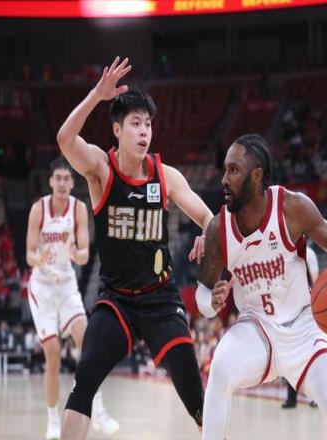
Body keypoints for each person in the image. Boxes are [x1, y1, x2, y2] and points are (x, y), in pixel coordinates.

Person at [56, 57, 213, 439]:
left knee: (197, 398)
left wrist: (207, 233)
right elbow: (65, 140)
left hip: (161, 300)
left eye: (148, 124)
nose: (144, 131)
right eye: (136, 123)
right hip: (117, 301)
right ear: (117, 130)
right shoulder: (101, 169)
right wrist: (96, 95)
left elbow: (208, 218)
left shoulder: (165, 175)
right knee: (84, 383)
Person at [196, 134, 327, 439]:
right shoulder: (218, 228)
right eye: (225, 169)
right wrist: (210, 303)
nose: (224, 179)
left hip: (303, 328)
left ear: (257, 176)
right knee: (221, 366)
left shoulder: (292, 208)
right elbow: (203, 290)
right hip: (256, 329)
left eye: (233, 170)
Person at [26, 157, 119, 439]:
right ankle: (53, 419)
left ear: (72, 183)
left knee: (88, 343)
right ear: (51, 181)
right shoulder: (38, 209)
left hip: (66, 285)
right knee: (53, 354)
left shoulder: (78, 208)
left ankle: (98, 410)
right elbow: (29, 254)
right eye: (58, 178)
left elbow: (85, 253)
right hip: (43, 288)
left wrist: (75, 253)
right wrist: (39, 258)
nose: (63, 183)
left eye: (67, 179)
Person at [281, 244, 319, 409]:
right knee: (289, 354)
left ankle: (314, 397)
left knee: (310, 353)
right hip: (288, 308)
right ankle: (292, 397)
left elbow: (316, 281)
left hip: (307, 309)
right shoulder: (281, 251)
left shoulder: (309, 254)